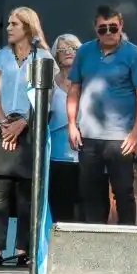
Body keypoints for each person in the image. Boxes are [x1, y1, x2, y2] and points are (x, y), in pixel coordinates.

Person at [66, 6, 137, 226]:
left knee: (124, 192)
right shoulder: (84, 52)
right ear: (95, 29)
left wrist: (136, 133)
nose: (109, 32)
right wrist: (72, 125)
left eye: (113, 27)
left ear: (121, 26)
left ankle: (128, 242)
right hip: (88, 135)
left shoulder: (134, 54)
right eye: (103, 29)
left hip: (120, 137)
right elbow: (74, 89)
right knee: (90, 192)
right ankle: (95, 243)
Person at [0, 7, 50, 265]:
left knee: (26, 193)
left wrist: (23, 123)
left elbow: (46, 98)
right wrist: (3, 122)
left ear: (28, 27)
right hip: (2, 123)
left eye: (14, 24)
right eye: (8, 24)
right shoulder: (1, 56)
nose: (9, 28)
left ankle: (23, 251)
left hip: (29, 125)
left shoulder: (42, 56)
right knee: (0, 191)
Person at [48, 34, 81, 224]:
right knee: (60, 211)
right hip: (56, 157)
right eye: (63, 49)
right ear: (56, 55)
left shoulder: (87, 81)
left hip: (84, 157)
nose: (68, 52)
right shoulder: (49, 84)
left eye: (73, 48)